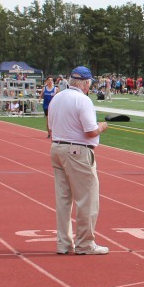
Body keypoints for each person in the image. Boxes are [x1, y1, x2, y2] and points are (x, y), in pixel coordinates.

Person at [48, 66, 110, 255]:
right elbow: (90, 131)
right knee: (87, 199)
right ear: (85, 83)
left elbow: (50, 127)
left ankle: (63, 243)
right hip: (77, 151)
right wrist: (102, 127)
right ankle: (85, 243)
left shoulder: (57, 97)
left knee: (63, 199)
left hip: (57, 147)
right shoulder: (82, 100)